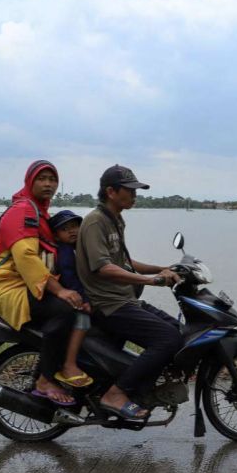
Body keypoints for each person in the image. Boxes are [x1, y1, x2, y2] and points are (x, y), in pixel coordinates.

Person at [76, 164, 182, 420]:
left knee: (179, 333)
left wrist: (163, 267)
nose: (134, 195)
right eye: (130, 190)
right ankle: (116, 394)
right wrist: (150, 280)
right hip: (108, 304)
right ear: (111, 192)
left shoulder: (115, 219)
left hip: (124, 299)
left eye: (136, 190)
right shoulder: (95, 222)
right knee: (167, 339)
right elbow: (103, 268)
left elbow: (123, 262)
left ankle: (142, 388)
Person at [0, 160, 85, 406]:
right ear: (30, 181)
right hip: (9, 288)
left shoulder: (39, 211)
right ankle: (45, 379)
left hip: (26, 285)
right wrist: (59, 290)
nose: (48, 184)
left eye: (53, 179)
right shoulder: (24, 211)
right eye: (42, 178)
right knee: (65, 310)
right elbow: (25, 256)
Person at [49, 209, 94, 388]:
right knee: (83, 322)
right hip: (71, 297)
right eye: (65, 229)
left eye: (75, 226)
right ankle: (70, 363)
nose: (72, 231)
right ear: (57, 236)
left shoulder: (77, 249)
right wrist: (84, 300)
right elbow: (70, 279)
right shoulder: (66, 251)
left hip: (73, 294)